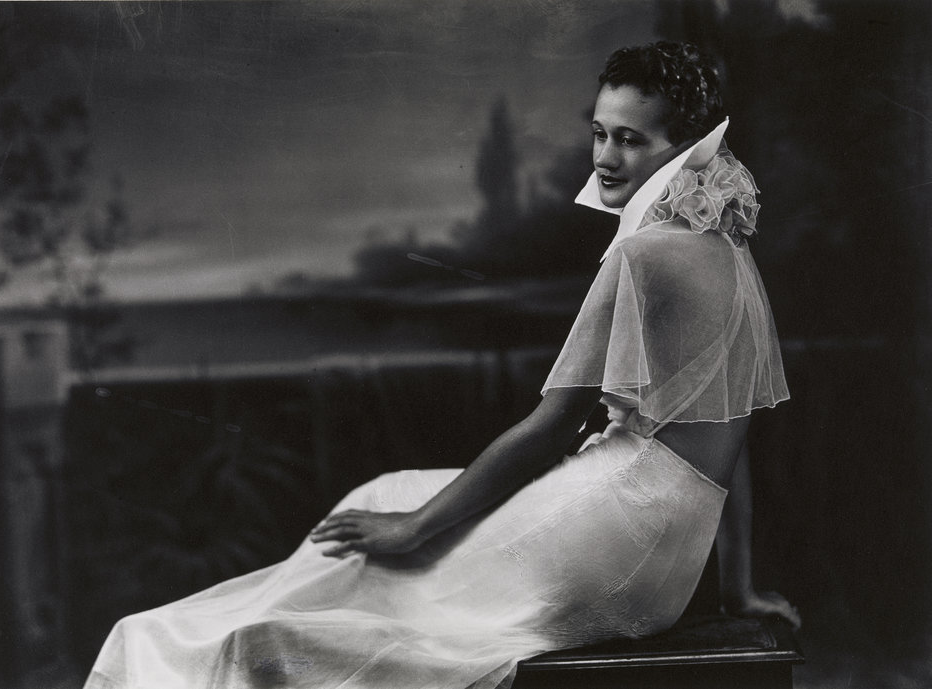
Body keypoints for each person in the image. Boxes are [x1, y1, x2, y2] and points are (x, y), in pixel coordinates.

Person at [84, 41, 800, 689]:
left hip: (621, 530)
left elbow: (550, 426)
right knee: (387, 492)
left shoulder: (645, 252)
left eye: (630, 140)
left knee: (371, 575)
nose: (605, 158)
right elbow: (725, 450)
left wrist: (418, 528)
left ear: (682, 151)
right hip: (664, 543)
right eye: (599, 134)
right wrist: (737, 589)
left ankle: (208, 656)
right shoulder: (722, 244)